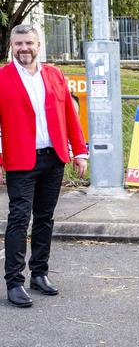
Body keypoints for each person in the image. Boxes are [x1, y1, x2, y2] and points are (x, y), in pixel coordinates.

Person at [0, 24, 87, 308]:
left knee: (45, 218)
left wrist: (80, 151)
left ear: (39, 46)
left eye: (29, 43)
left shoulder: (54, 75)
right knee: (19, 219)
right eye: (18, 44)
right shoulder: (3, 78)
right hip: (20, 161)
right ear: (11, 47)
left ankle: (39, 273)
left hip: (53, 158)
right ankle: (14, 281)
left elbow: (69, 116)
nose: (24, 48)